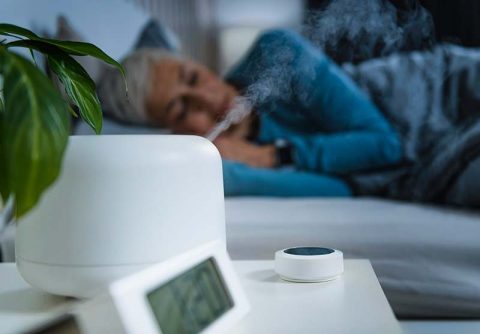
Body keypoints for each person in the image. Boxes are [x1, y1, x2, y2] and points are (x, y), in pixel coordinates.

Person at [99, 29, 403, 197]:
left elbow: (386, 146)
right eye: (180, 108)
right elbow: (343, 190)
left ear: (196, 62)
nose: (206, 99)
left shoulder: (276, 55)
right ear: (173, 133)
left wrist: (271, 157)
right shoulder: (227, 168)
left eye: (192, 77)